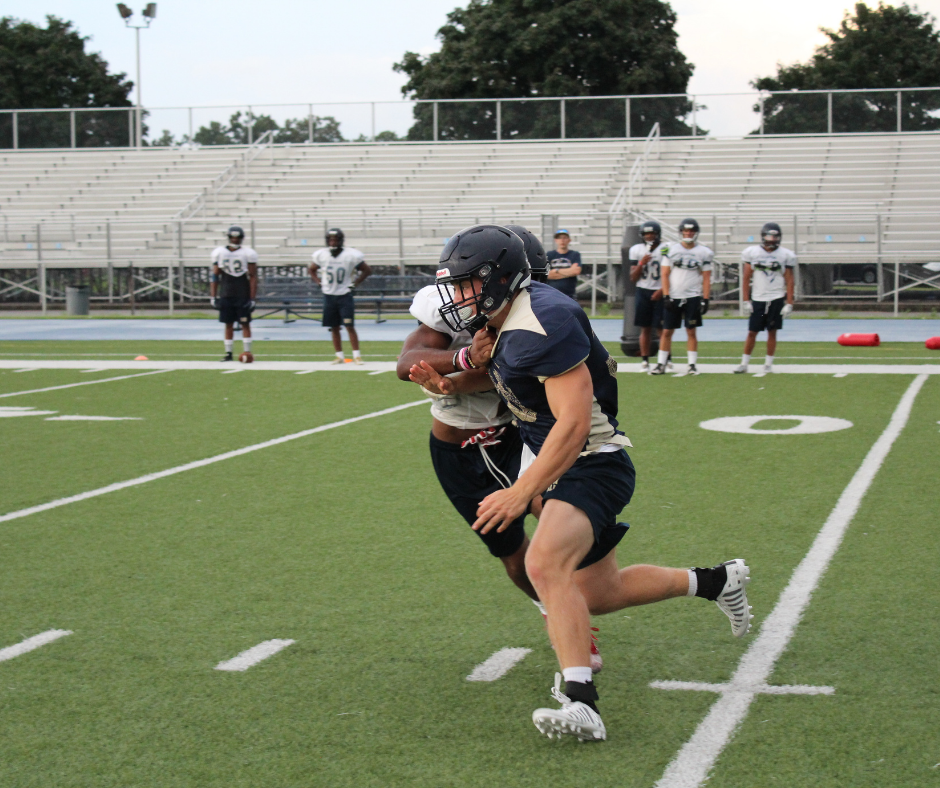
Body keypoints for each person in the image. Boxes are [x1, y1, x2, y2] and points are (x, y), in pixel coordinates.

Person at [412, 225, 752, 742]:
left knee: (543, 563)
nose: (458, 297)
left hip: (591, 460)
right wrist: (451, 382)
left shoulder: (543, 319)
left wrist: (523, 490)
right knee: (597, 591)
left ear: (503, 278)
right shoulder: (503, 316)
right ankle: (715, 581)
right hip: (551, 455)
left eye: (466, 283)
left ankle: (580, 702)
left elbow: (572, 426)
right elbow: (508, 375)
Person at [398, 225, 603, 673]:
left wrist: (458, 378)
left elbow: (508, 373)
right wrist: (463, 361)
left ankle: (585, 592)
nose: (460, 292)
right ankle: (557, 609)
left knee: (554, 520)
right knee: (512, 555)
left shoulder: (535, 312)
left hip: (515, 435)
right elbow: (406, 363)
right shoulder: (450, 302)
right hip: (458, 449)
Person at [651, 218, 713, 376]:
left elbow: (706, 277)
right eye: (686, 231)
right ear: (681, 232)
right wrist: (666, 295)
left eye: (691, 231)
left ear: (696, 233)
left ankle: (692, 365)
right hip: (674, 296)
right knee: (667, 331)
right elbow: (665, 274)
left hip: (693, 296)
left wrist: (705, 298)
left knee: (691, 331)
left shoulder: (704, 252)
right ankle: (660, 363)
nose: (688, 233)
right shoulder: (671, 250)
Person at [734, 223, 796, 374]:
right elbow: (746, 278)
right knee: (752, 332)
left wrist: (789, 303)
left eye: (775, 236)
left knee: (772, 331)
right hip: (758, 298)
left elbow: (789, 280)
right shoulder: (752, 252)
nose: (772, 239)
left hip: (775, 298)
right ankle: (744, 363)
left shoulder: (785, 255)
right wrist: (746, 300)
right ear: (763, 236)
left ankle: (768, 364)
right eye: (769, 236)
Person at [310, 228, 371, 364]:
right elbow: (312, 269)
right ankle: (339, 356)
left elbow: (367, 270)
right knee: (334, 326)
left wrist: (355, 283)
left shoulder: (351, 255)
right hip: (329, 295)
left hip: (344, 294)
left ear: (341, 240)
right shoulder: (322, 255)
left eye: (335, 239)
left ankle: (356, 355)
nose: (333, 242)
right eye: (331, 239)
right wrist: (319, 282)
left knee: (349, 325)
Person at [210, 225, 257, 362]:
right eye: (233, 237)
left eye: (237, 237)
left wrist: (252, 297)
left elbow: (253, 276)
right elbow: (215, 275)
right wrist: (213, 296)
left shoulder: (248, 253)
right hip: (226, 292)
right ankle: (228, 353)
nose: (235, 240)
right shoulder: (220, 252)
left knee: (245, 323)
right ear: (229, 237)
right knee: (228, 323)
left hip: (242, 292)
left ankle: (247, 351)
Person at [628, 220, 667, 372]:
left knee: (662, 328)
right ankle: (645, 360)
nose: (649, 236)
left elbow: (668, 271)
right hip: (643, 290)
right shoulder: (637, 249)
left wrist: (663, 290)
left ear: (658, 234)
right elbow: (633, 277)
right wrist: (641, 263)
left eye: (652, 233)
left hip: (660, 290)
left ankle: (665, 360)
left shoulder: (665, 249)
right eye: (646, 234)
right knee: (645, 328)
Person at [545, 228, 581, 299]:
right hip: (552, 294)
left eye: (565, 238)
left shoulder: (574, 255)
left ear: (569, 240)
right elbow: (546, 274)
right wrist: (568, 272)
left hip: (569, 295)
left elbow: (576, 271)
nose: (562, 240)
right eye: (559, 238)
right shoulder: (550, 255)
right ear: (556, 240)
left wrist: (556, 271)